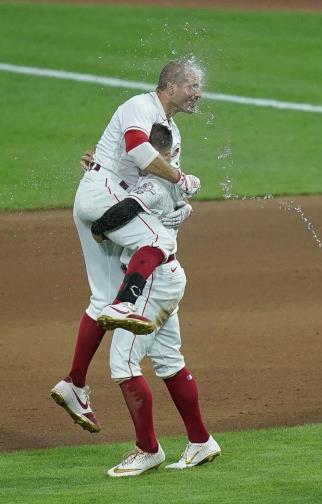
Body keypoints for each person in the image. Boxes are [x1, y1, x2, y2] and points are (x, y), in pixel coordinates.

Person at [51, 59, 203, 434]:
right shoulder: (140, 105)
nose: (198, 93)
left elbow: (158, 177)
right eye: (192, 86)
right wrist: (182, 180)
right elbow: (138, 151)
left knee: (101, 297)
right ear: (170, 85)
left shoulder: (171, 130)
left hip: (107, 203)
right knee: (153, 241)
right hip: (104, 195)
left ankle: (74, 383)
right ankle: (127, 302)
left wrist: (179, 199)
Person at [91, 123, 220, 477]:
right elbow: (173, 184)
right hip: (167, 279)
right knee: (168, 362)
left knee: (123, 363)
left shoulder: (153, 184)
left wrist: (98, 227)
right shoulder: (179, 178)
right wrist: (96, 168)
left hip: (152, 281)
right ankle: (200, 441)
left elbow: (121, 212)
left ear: (155, 154)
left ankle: (148, 449)